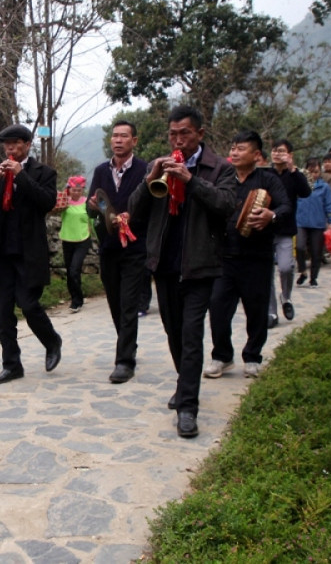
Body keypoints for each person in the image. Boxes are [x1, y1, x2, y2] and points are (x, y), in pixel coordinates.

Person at [129, 105, 236, 438]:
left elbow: (226, 206)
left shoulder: (220, 168)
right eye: (173, 134)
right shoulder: (157, 166)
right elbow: (134, 212)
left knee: (191, 336)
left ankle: (188, 407)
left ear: (200, 134)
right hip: (164, 266)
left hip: (200, 265)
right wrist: (150, 181)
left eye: (184, 133)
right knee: (174, 333)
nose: (178, 139)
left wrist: (191, 181)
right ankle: (184, 384)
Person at [0, 124, 63, 385]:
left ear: (27, 145)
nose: (11, 149)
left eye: (16, 144)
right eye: (7, 145)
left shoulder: (44, 172)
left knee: (28, 305)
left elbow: (46, 202)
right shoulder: (0, 174)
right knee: (3, 314)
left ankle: (52, 341)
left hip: (28, 253)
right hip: (2, 253)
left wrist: (21, 175)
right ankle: (12, 365)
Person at [204, 130, 290, 382]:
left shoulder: (269, 179)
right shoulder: (223, 177)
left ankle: (253, 357)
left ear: (257, 155)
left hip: (257, 257)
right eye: (232, 148)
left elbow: (285, 206)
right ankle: (222, 355)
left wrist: (270, 215)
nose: (234, 152)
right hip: (225, 256)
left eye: (241, 149)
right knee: (218, 306)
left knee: (256, 309)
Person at [87, 120, 148, 383]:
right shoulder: (101, 171)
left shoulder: (145, 169)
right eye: (114, 136)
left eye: (124, 136)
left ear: (134, 140)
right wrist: (93, 206)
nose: (118, 140)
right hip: (109, 246)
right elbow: (93, 207)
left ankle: (124, 361)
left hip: (135, 246)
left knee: (128, 302)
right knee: (114, 301)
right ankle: (128, 343)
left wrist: (129, 217)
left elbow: (149, 205)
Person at [268, 139, 311, 325]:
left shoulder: (294, 176)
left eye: (281, 151)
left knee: (286, 267)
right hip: (265, 231)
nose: (277, 154)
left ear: (290, 155)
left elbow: (305, 192)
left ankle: (286, 297)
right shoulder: (265, 174)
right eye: (274, 151)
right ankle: (270, 312)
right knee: (265, 273)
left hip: (285, 230)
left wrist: (293, 170)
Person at [53, 175, 92, 313]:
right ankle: (74, 297)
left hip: (83, 239)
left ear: (82, 190)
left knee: (75, 269)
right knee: (70, 271)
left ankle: (77, 301)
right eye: (73, 190)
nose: (76, 192)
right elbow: (53, 209)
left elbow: (92, 220)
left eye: (79, 190)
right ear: (69, 190)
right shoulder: (64, 203)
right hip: (67, 240)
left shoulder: (87, 203)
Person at [295, 158, 331, 288]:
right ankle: (302, 271)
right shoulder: (299, 185)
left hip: (317, 223)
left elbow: (329, 205)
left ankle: (313, 277)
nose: (313, 174)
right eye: (310, 171)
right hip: (301, 221)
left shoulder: (324, 187)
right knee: (300, 247)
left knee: (316, 251)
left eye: (316, 171)